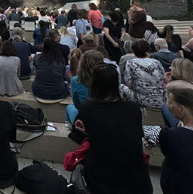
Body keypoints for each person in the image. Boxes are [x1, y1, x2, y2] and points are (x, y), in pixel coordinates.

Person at [75, 64, 153, 194]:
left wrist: (87, 132)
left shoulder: (87, 109)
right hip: (137, 180)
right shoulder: (133, 109)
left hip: (102, 179)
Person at [123, 40, 166, 109]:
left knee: (121, 87)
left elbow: (129, 84)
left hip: (141, 100)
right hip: (160, 99)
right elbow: (164, 78)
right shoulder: (157, 62)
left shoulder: (130, 63)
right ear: (148, 50)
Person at [66, 50, 104, 124]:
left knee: (69, 107)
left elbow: (77, 105)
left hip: (85, 119)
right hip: (103, 117)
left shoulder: (76, 80)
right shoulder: (107, 79)